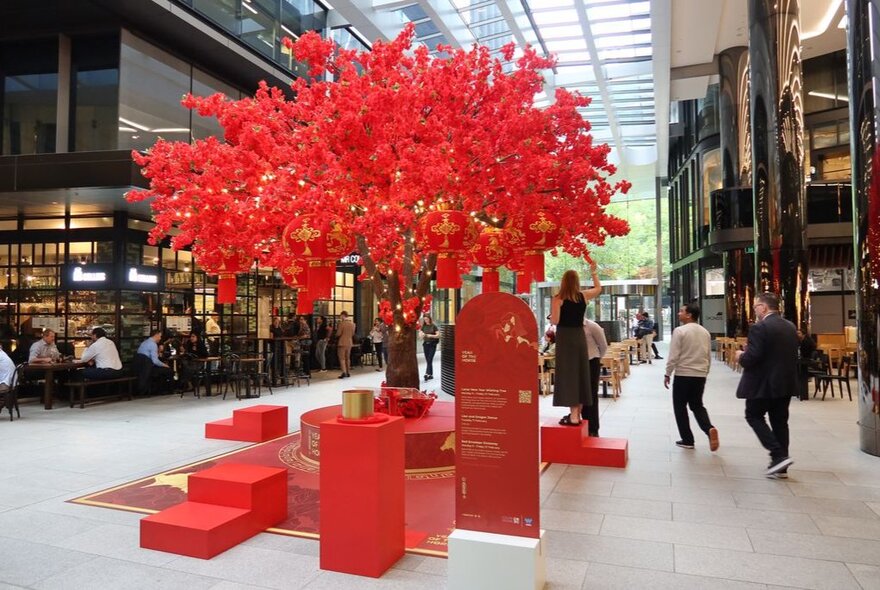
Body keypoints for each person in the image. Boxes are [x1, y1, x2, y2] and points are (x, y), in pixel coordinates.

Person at [735, 292, 798, 478]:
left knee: (753, 415)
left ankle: (777, 455)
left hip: (762, 384)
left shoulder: (759, 328)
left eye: (755, 307)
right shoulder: (790, 326)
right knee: (780, 422)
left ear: (763, 307)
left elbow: (752, 358)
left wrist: (741, 356)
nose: (755, 311)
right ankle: (781, 465)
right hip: (785, 383)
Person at [550, 263, 602, 426]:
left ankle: (573, 416)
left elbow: (555, 321)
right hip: (579, 337)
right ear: (577, 282)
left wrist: (552, 316)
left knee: (568, 375)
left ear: (563, 282)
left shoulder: (558, 299)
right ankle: (576, 414)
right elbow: (598, 288)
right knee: (580, 374)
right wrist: (594, 271)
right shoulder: (583, 296)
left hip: (565, 338)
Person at [664, 303, 718, 451]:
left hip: (683, 374)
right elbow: (708, 355)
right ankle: (709, 428)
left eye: (681, 311)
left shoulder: (680, 331)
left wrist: (667, 373)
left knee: (680, 407)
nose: (678, 313)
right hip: (700, 374)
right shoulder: (705, 332)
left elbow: (674, 355)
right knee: (697, 405)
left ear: (689, 315)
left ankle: (687, 439)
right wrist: (705, 372)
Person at [582, 318, 607, 437]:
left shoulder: (592, 326)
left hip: (592, 361)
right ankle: (584, 423)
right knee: (580, 395)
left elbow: (603, 346)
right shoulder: (571, 326)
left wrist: (597, 358)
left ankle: (593, 428)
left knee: (591, 394)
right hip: (578, 363)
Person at [797, 328, 817, 401]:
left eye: (799, 333)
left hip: (808, 361)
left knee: (799, 370)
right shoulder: (801, 341)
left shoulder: (806, 342)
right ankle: (799, 390)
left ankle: (802, 392)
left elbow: (805, 353)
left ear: (803, 334)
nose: (797, 335)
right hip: (805, 360)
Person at [336, 311, 356, 378]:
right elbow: (353, 334)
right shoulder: (353, 324)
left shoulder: (342, 324)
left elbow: (338, 333)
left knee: (342, 358)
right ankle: (348, 372)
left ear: (343, 315)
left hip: (342, 342)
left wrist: (336, 334)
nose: (340, 317)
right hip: (349, 342)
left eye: (340, 316)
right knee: (348, 358)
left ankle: (344, 372)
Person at [421, 315, 440, 381]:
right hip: (425, 344)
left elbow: (438, 335)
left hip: (432, 345)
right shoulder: (423, 326)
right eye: (424, 319)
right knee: (428, 360)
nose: (426, 320)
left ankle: (427, 374)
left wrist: (430, 336)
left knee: (429, 359)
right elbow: (420, 334)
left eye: (427, 319)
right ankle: (431, 375)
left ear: (429, 319)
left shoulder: (433, 326)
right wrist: (421, 335)